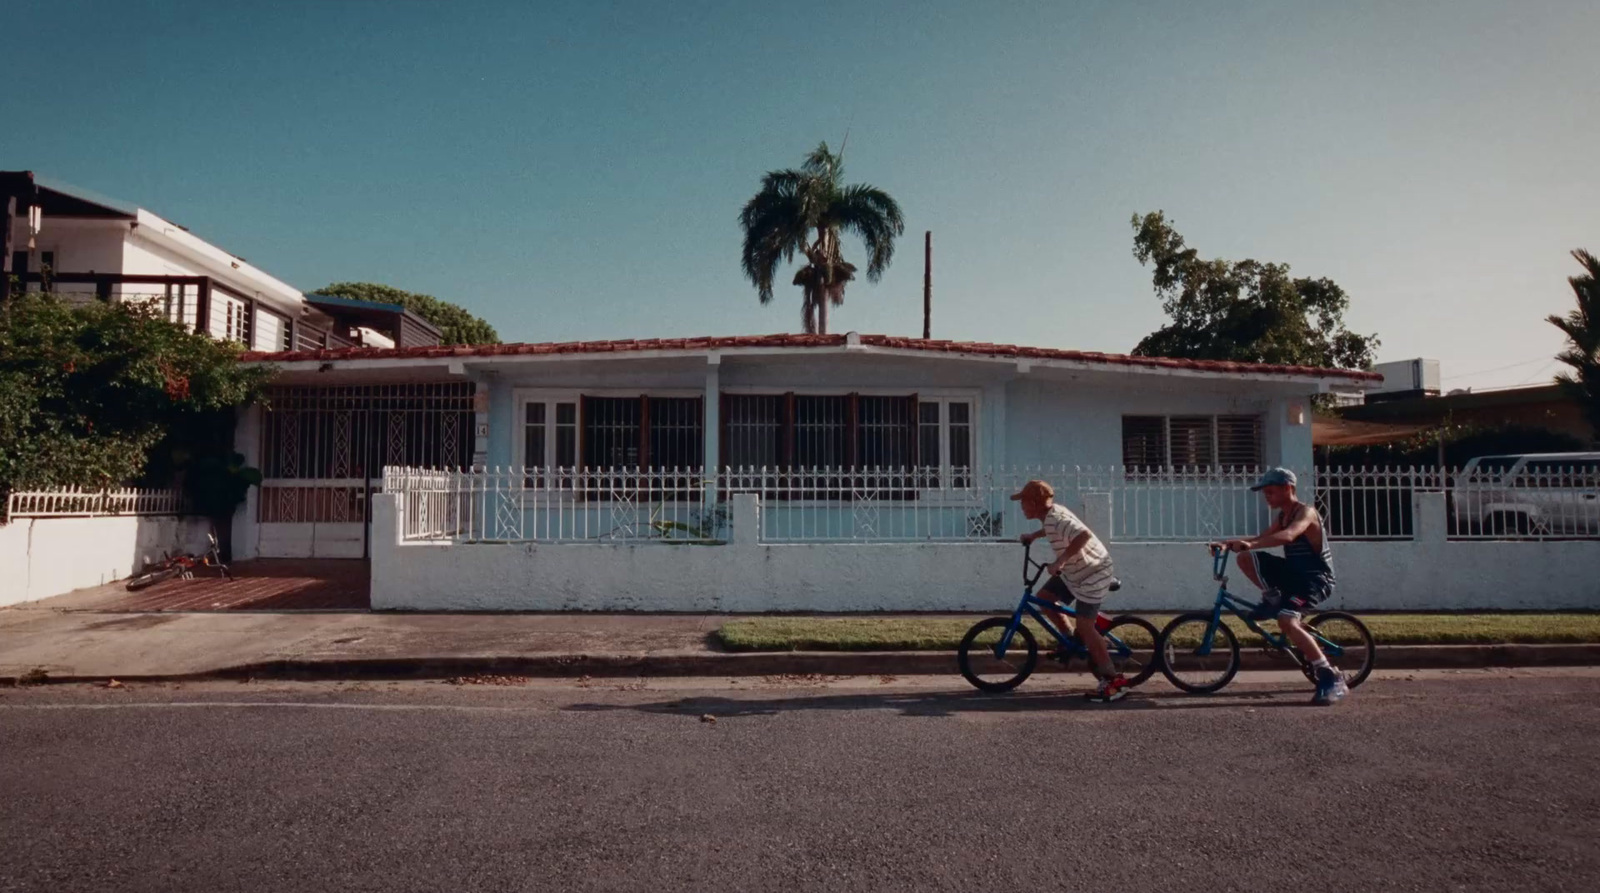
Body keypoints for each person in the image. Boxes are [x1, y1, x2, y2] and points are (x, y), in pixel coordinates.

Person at [1216, 467, 1349, 706]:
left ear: (1288, 488)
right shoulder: (1282, 516)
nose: (1267, 497)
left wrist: (1248, 544)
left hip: (1314, 580)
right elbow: (1257, 541)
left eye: (1271, 492)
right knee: (1245, 557)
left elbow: (1288, 536)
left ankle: (1331, 677)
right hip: (1293, 575)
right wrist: (1229, 544)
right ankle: (1272, 598)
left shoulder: (1306, 513)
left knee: (1287, 621)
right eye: (1265, 493)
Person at [1013, 479, 1128, 703]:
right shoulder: (1050, 517)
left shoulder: (1056, 518)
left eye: (1024, 502)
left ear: (1036, 502)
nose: (1021, 507)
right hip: (1077, 571)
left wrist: (1061, 562)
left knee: (1085, 626)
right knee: (1045, 598)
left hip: (1093, 572)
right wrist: (1033, 536)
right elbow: (1052, 529)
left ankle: (1115, 682)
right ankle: (1068, 642)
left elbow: (1082, 535)